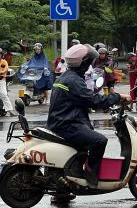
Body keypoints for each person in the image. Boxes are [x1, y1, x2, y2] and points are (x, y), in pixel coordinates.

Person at [46, 44, 129, 186]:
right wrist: (117, 97)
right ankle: (91, 172)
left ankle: (64, 188)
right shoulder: (74, 81)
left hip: (61, 121)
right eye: (89, 62)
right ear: (83, 63)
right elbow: (93, 101)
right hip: (67, 124)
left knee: (87, 137)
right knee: (99, 141)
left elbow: (80, 101)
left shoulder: (64, 77)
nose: (90, 64)